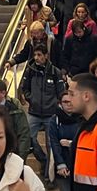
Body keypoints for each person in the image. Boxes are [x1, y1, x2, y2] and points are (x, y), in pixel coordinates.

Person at [18, 44, 63, 183]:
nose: (37, 58)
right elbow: (24, 88)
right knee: (28, 139)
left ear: (46, 56)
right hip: (34, 112)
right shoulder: (30, 71)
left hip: (50, 113)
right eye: (35, 55)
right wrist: (31, 98)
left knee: (51, 144)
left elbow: (61, 92)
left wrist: (55, 104)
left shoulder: (55, 72)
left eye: (39, 55)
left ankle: (49, 175)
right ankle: (42, 160)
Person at [0, 76, 31, 160]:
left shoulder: (15, 110)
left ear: (3, 93)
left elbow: (24, 135)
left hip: (12, 157)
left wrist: (20, 159)